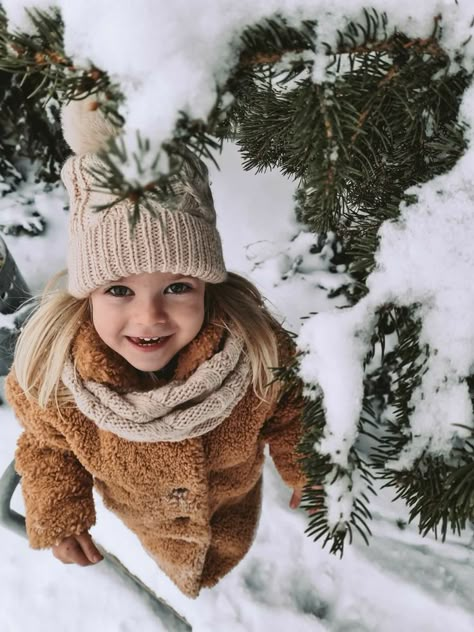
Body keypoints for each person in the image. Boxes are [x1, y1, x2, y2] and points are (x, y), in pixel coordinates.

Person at [5, 96, 308, 599]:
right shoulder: (57, 379)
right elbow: (46, 446)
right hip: (143, 519)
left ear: (208, 286)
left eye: (177, 287)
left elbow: (292, 411)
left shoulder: (256, 354)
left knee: (229, 536)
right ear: (87, 292)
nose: (149, 318)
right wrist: (58, 508)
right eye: (118, 290)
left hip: (231, 505)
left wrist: (308, 467)